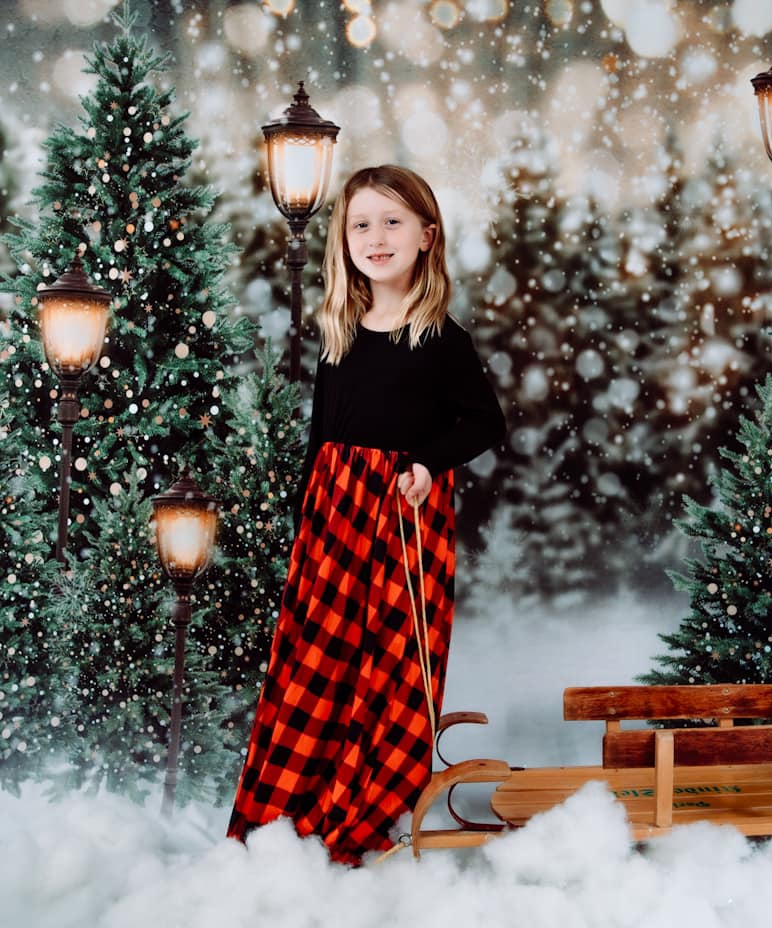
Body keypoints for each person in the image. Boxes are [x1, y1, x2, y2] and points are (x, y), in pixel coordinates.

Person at [227, 165, 505, 865]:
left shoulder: (441, 337)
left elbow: (484, 424)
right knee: (314, 662)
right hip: (333, 518)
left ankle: (370, 799)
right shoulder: (340, 330)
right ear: (341, 241)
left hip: (400, 513)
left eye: (392, 222)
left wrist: (425, 463)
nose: (375, 238)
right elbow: (323, 436)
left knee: (387, 663)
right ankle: (291, 809)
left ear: (426, 236)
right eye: (360, 224)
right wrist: (306, 520)